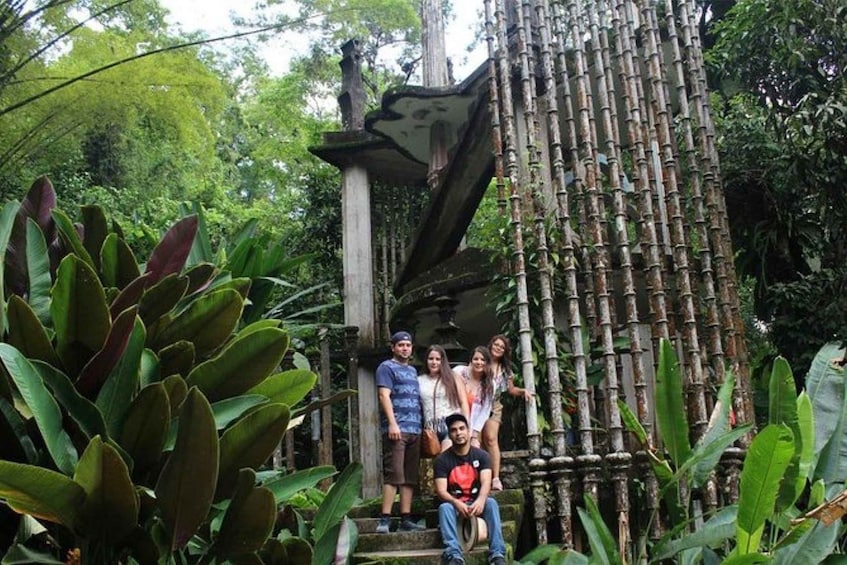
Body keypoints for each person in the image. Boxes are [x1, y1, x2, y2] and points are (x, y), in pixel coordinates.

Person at [434, 413, 507, 565]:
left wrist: (480, 500)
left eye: (462, 428)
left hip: (476, 502)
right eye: (454, 430)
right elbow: (441, 491)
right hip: (455, 505)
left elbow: (486, 482)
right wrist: (456, 503)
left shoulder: (482, 456)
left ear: (468, 431)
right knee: (444, 507)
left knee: (491, 503)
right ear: (450, 434)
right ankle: (454, 554)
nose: (458, 433)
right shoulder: (442, 460)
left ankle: (497, 553)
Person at [375, 330, 427, 534]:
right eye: (401, 345)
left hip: (415, 429)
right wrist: (392, 424)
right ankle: (385, 519)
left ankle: (406, 518)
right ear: (393, 347)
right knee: (394, 474)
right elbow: (383, 396)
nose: (405, 348)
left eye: (408, 345)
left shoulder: (413, 371)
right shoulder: (386, 367)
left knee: (409, 477)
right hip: (397, 429)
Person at [484, 334, 534, 491]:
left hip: (494, 405)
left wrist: (523, 391)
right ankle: (480, 478)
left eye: (502, 347)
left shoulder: (505, 369)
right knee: (477, 441)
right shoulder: (480, 361)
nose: (498, 348)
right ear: (491, 345)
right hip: (477, 404)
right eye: (496, 344)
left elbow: (511, 389)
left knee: (491, 440)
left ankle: (496, 478)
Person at [419, 345, 470, 452]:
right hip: (430, 428)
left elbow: (463, 402)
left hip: (450, 425)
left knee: (445, 458)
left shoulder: (453, 377)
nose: (434, 362)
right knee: (436, 464)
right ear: (426, 360)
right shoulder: (419, 380)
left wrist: (467, 425)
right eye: (431, 359)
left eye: (438, 359)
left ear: (443, 361)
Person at [455, 346, 495, 451]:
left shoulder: (490, 384)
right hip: (455, 423)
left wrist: (474, 435)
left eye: (482, 360)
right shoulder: (459, 372)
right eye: (476, 359)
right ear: (471, 361)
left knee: (474, 450)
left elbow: (485, 411)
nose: (479, 362)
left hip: (473, 424)